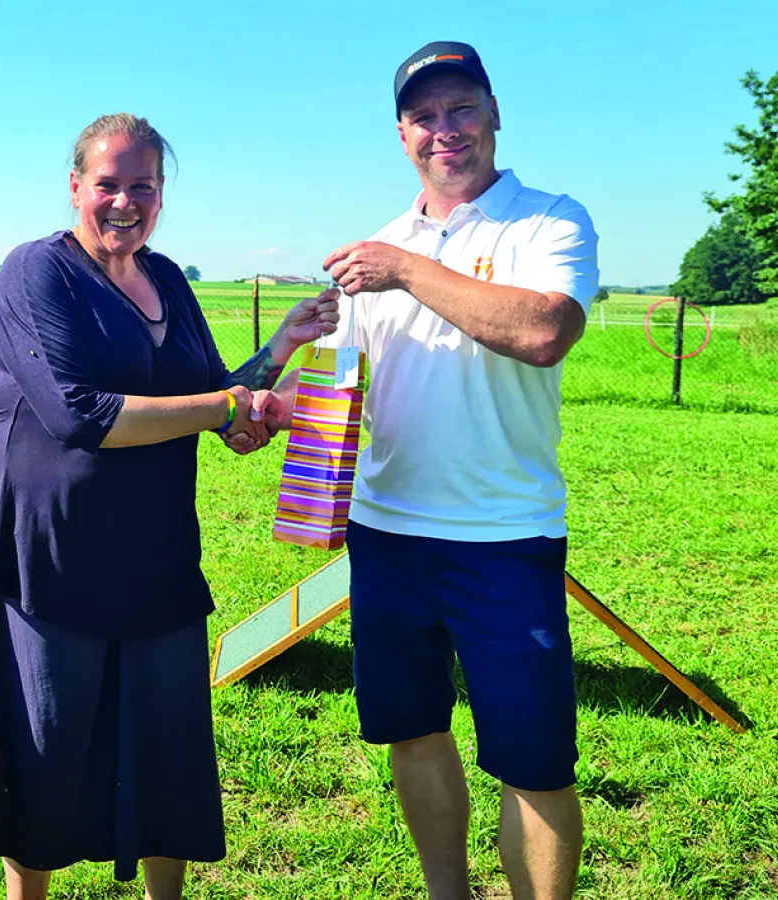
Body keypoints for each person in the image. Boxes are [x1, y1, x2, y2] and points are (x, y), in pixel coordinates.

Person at [261, 42, 599, 899]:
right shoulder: (379, 245)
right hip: (387, 536)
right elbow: (340, 396)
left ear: (493, 114)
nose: (442, 131)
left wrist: (408, 269)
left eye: (460, 109)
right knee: (410, 731)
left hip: (503, 535)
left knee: (533, 760)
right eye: (423, 116)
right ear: (400, 133)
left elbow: (544, 331)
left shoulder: (548, 221)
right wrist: (271, 383)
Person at [0, 113, 338, 900]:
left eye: (142, 186)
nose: (124, 202)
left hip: (158, 547)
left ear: (161, 194)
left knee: (168, 741)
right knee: (47, 741)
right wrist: (222, 408)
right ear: (75, 187)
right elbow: (78, 414)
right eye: (107, 183)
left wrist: (279, 351)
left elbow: (211, 396)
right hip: (55, 553)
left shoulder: (166, 277)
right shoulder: (36, 272)